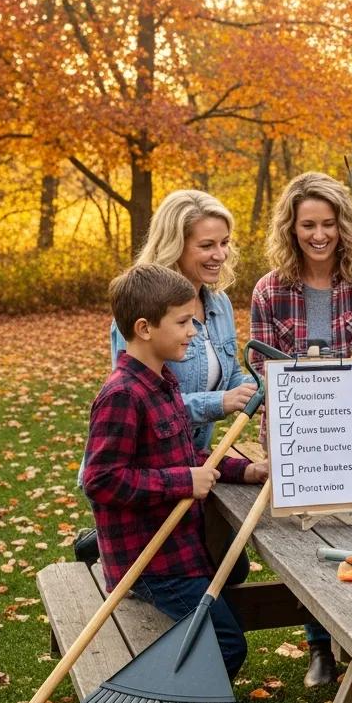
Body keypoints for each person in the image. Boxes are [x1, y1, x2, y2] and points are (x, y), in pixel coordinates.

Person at [250, 171, 352, 686]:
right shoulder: (270, 290)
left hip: (350, 433)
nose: (319, 235)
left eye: (328, 224)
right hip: (296, 431)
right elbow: (259, 366)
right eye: (307, 225)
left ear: (342, 226)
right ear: (291, 229)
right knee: (302, 543)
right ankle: (319, 644)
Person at [82, 264, 268, 678]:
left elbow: (187, 456)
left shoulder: (164, 383)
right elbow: (100, 480)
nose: (194, 332)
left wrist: (246, 470)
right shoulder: (122, 395)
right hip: (150, 565)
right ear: (145, 328)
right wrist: (183, 481)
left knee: (234, 571)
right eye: (184, 322)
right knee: (226, 644)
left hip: (182, 549)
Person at [114, 189, 257, 452]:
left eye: (224, 242)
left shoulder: (219, 303)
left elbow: (232, 373)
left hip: (192, 460)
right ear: (175, 245)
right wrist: (220, 402)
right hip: (144, 466)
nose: (221, 255)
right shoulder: (142, 309)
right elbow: (137, 403)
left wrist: (259, 388)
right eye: (206, 245)